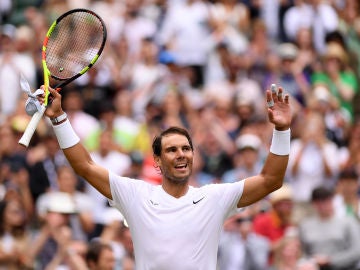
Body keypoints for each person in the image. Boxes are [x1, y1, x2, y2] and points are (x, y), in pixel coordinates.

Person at [35, 83, 291, 269]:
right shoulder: (136, 194)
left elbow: (271, 180)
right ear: (157, 160)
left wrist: (282, 130)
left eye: (186, 149)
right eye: (171, 150)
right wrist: (58, 118)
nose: (181, 154)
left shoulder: (214, 196)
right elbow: (86, 166)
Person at [299, 186, 360, 270]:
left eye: (325, 201)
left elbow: (357, 251)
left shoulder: (348, 222)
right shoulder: (305, 225)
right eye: (318, 202)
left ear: (332, 201)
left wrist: (331, 260)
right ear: (313, 203)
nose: (322, 205)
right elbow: (303, 252)